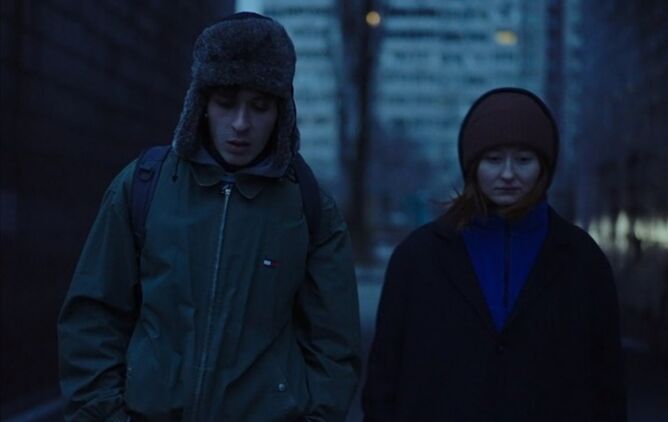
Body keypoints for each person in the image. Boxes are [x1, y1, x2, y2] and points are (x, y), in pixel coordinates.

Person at [58, 12, 361, 422]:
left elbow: (334, 346)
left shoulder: (310, 210)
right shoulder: (142, 187)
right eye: (226, 103)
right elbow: (92, 317)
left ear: (281, 112)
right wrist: (105, 414)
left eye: (259, 107)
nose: (241, 124)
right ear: (201, 104)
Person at [362, 87, 626, 421]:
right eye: (494, 159)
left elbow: (607, 381)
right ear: (472, 165)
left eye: (524, 160)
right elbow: (384, 377)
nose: (508, 174)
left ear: (544, 167)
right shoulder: (418, 258)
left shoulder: (581, 259)